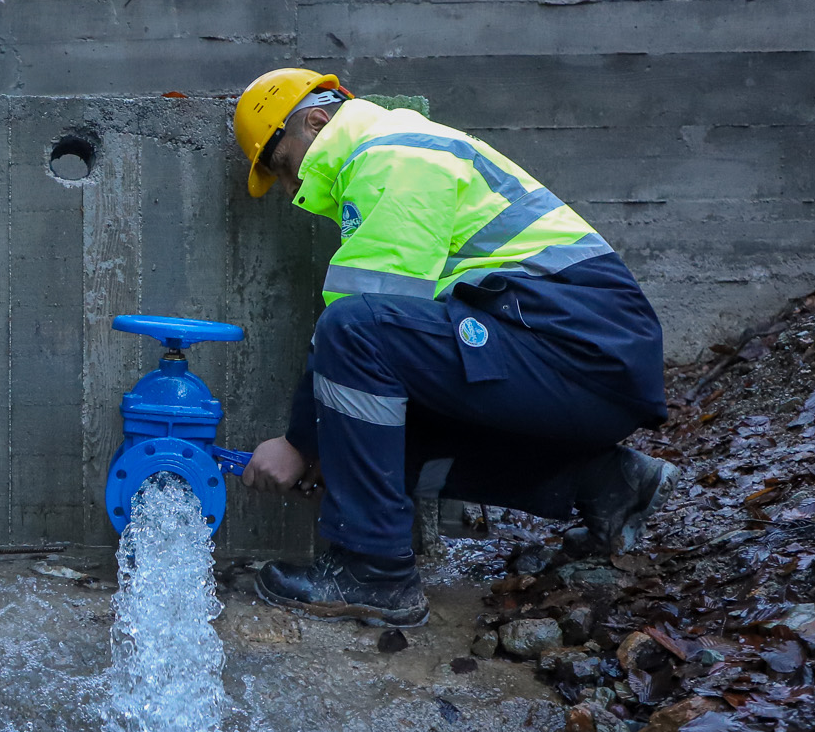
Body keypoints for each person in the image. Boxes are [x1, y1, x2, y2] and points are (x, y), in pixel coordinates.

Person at [232, 69, 676, 626]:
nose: (290, 185)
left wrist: (300, 442)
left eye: (281, 164)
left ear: (316, 121)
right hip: (572, 354)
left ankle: (374, 572)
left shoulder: (394, 157)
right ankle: (605, 482)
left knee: (352, 327)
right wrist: (333, 446)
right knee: (385, 446)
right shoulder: (395, 152)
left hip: (581, 348)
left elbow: (361, 319)